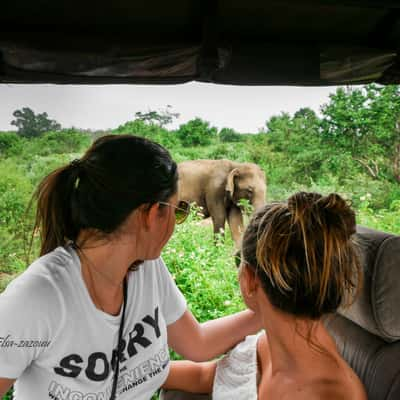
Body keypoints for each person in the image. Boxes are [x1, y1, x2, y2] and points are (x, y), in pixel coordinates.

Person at [0, 134, 261, 400]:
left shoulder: (147, 269)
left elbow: (197, 343)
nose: (176, 223)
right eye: (178, 211)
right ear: (150, 215)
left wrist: (272, 310)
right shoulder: (36, 298)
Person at [163, 192, 368, 400]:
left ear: (250, 280)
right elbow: (205, 377)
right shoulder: (264, 347)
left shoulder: (337, 395)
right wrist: (137, 372)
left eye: (239, 262)